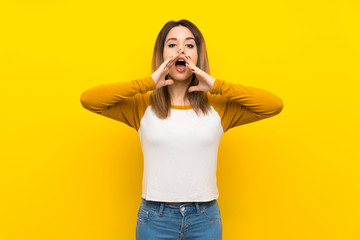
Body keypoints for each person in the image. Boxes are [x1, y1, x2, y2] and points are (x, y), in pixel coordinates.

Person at [80, 19, 283, 240]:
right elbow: (90, 100)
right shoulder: (141, 107)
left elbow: (272, 105)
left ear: (198, 55)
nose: (180, 50)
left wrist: (216, 85)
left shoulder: (219, 108)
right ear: (162, 54)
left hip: (204, 219)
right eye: (172, 44)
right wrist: (148, 82)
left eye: (189, 45)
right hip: (155, 219)